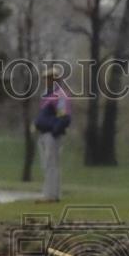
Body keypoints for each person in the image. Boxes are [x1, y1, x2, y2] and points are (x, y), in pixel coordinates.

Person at [33, 66, 72, 202]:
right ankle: (50, 194)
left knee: (52, 164)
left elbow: (64, 116)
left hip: (52, 135)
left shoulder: (60, 95)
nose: (47, 81)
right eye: (46, 78)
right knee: (47, 165)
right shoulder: (47, 95)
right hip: (44, 134)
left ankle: (51, 195)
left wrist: (55, 131)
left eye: (50, 78)